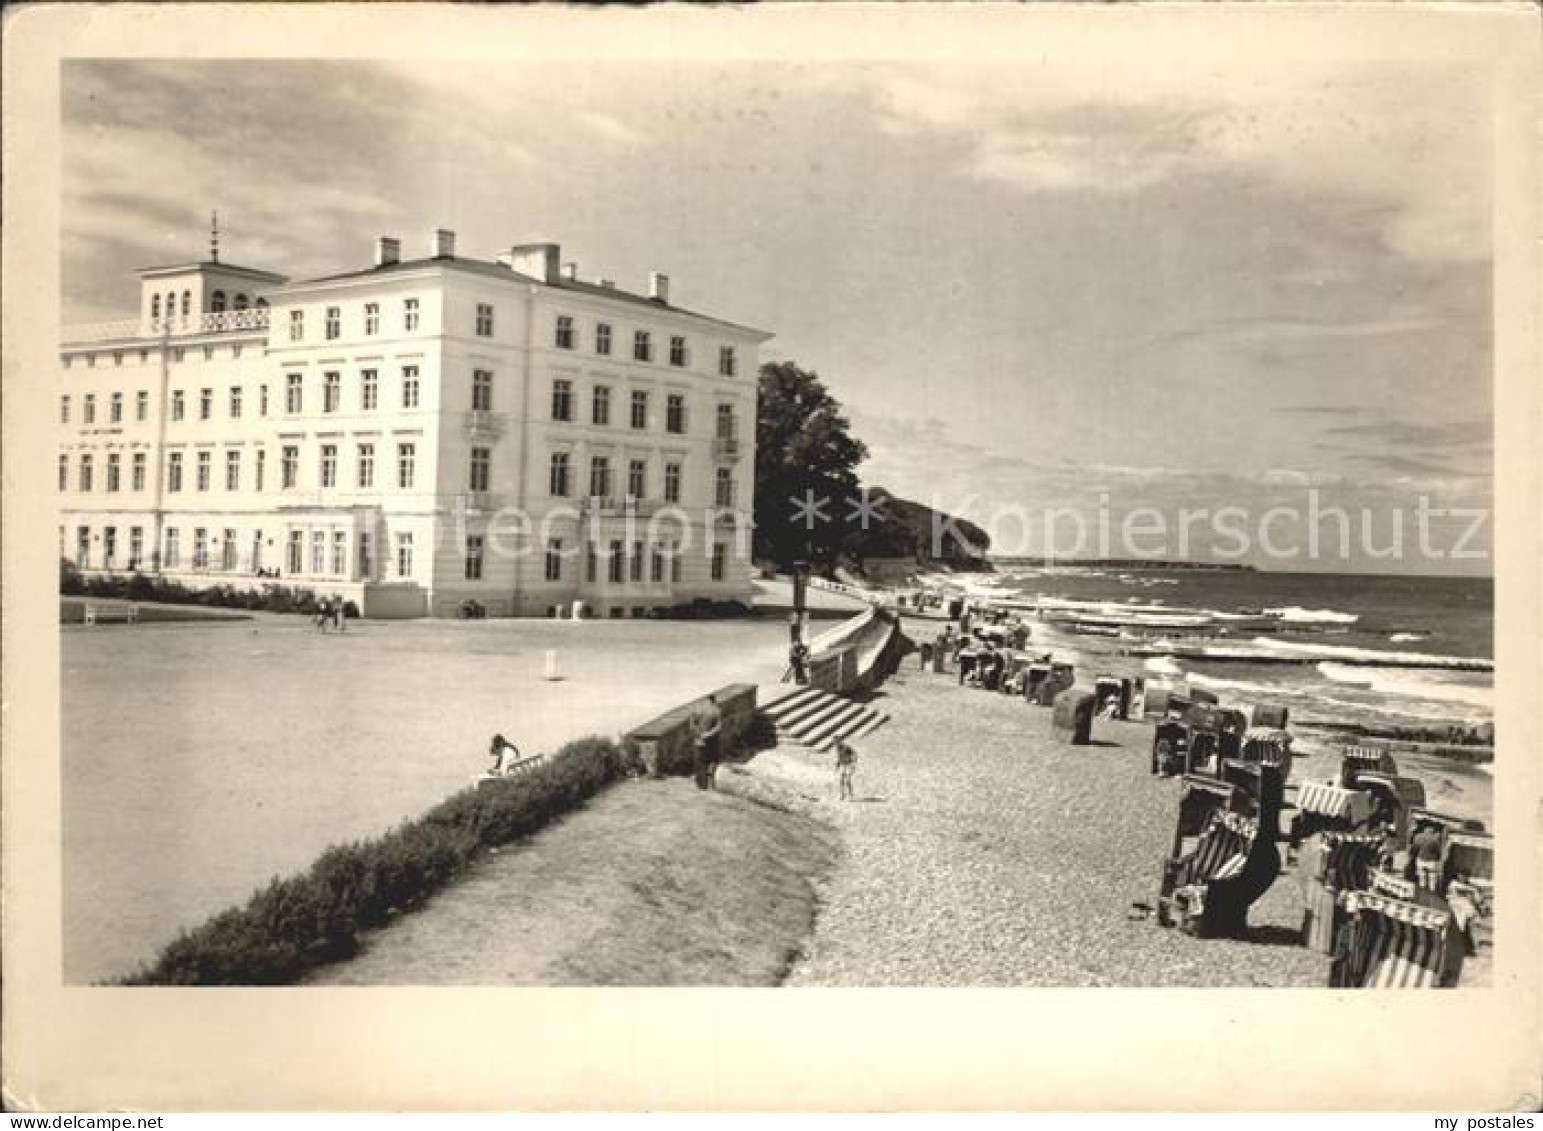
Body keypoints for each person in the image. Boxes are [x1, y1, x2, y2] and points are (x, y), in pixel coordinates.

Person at [690, 692, 724, 790]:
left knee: (700, 761)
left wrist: (699, 735)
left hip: (698, 739)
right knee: (713, 760)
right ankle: (710, 783)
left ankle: (700, 785)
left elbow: (692, 725)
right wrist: (708, 735)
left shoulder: (696, 709)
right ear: (713, 700)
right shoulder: (716, 710)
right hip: (712, 741)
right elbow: (718, 726)